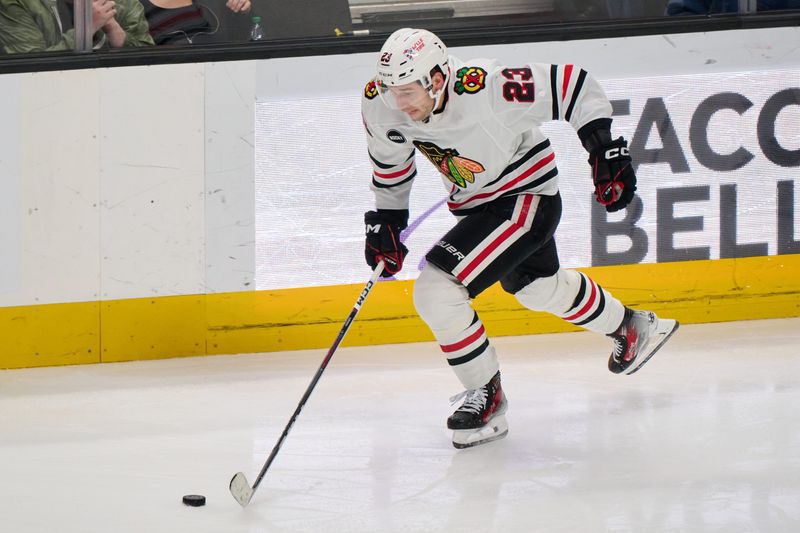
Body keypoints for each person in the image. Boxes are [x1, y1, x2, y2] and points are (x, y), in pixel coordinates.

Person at [361, 28, 680, 449]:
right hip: (478, 205)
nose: (399, 104)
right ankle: (632, 327)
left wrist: (603, 149)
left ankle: (486, 396)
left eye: (407, 91)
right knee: (537, 288)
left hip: (525, 197)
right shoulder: (380, 103)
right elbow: (391, 164)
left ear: (438, 78)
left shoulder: (487, 87)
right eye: (390, 91)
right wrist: (388, 219)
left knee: (437, 291)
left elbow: (572, 84)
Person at [0, 0, 153, 54]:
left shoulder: (125, 3)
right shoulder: (17, 3)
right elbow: (26, 71)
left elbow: (152, 66)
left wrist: (114, 30)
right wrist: (87, 27)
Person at [138, 0, 250, 45]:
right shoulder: (134, 6)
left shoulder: (207, 3)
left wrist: (243, 7)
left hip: (217, 71)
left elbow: (241, 35)